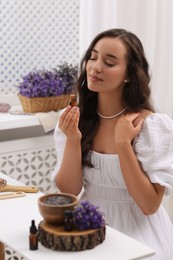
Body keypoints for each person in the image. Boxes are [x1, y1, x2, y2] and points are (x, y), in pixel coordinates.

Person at [51, 28, 173, 259]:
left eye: (109, 62)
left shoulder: (150, 126)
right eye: (93, 57)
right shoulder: (75, 120)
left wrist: (123, 144)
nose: (95, 67)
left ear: (129, 74)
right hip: (89, 227)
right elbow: (70, 191)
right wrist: (73, 140)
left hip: (139, 236)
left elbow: (149, 205)